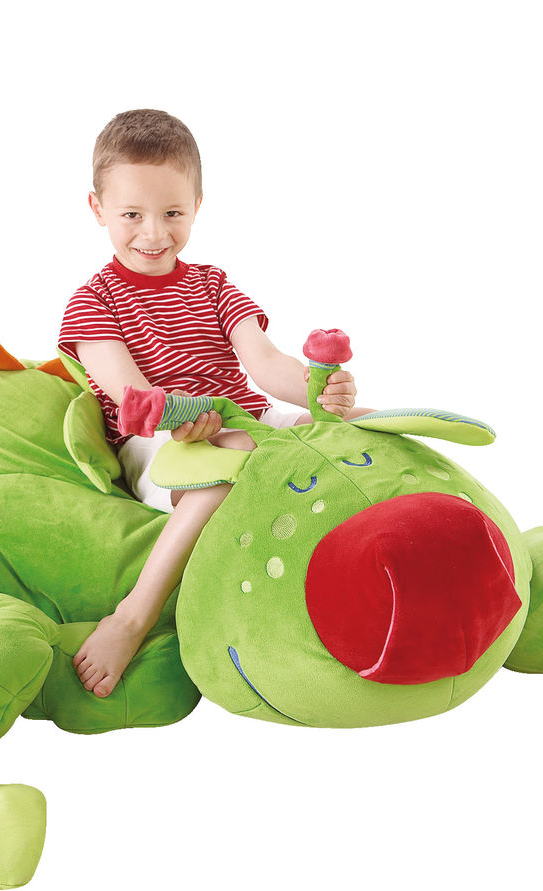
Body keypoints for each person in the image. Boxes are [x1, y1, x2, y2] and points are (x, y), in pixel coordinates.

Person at [58, 109, 368, 698]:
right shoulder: (92, 302)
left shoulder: (214, 285)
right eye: (132, 214)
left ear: (197, 205)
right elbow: (134, 399)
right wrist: (183, 419)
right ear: (98, 208)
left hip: (244, 420)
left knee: (364, 424)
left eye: (173, 213)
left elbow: (266, 365)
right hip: (160, 442)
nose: (154, 233)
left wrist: (320, 389)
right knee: (220, 478)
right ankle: (132, 617)